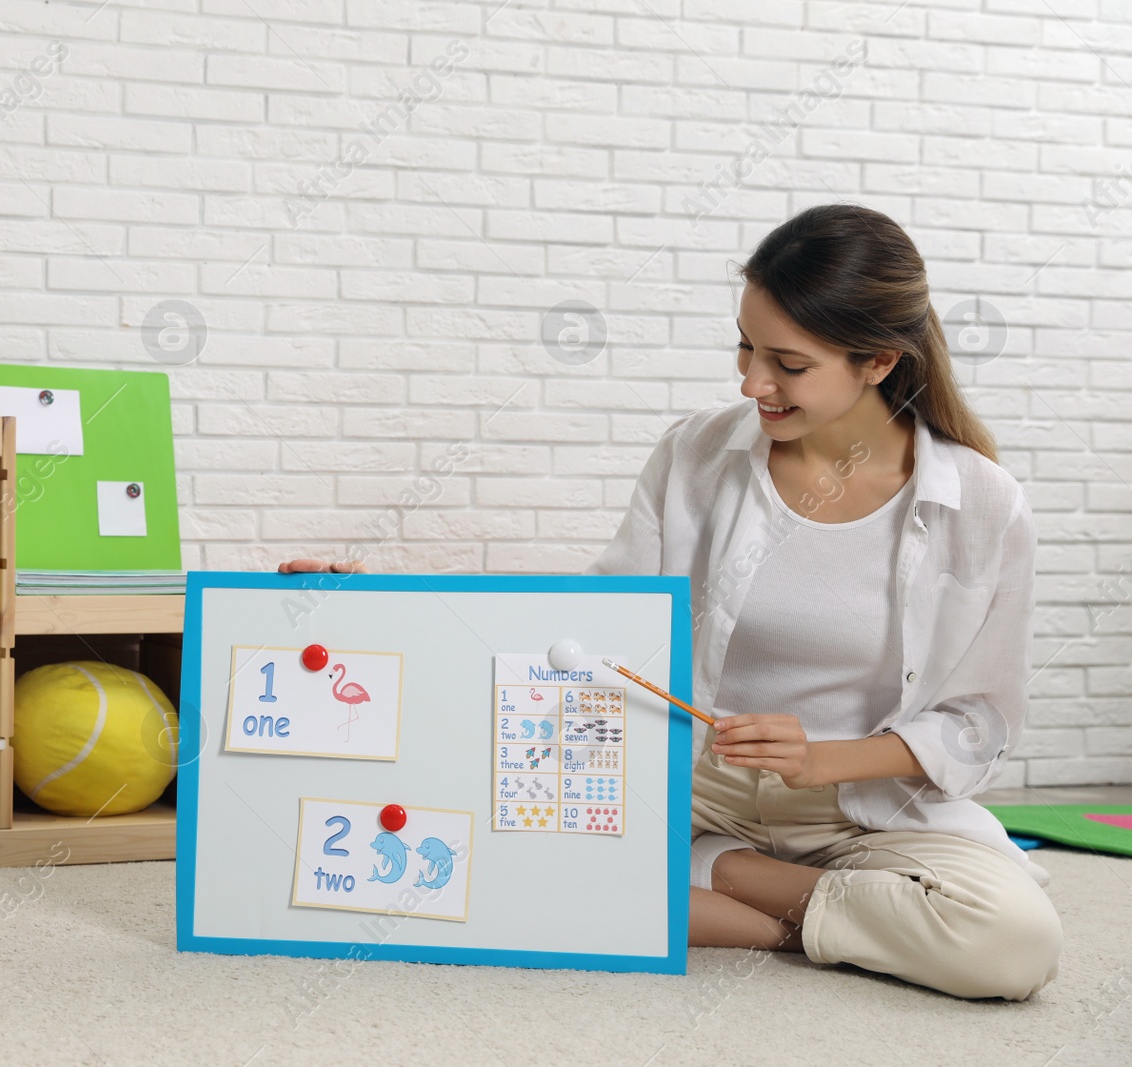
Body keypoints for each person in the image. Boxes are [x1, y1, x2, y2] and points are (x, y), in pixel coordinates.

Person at [281, 203, 1063, 1001]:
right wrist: (377, 598)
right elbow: (593, 626)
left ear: (879, 362)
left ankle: (723, 883)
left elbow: (978, 719)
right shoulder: (698, 453)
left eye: (787, 364)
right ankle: (789, 918)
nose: (753, 381)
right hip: (691, 782)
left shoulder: (982, 503)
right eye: (745, 346)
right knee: (458, 852)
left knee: (1013, 941)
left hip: (855, 811)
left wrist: (822, 759)